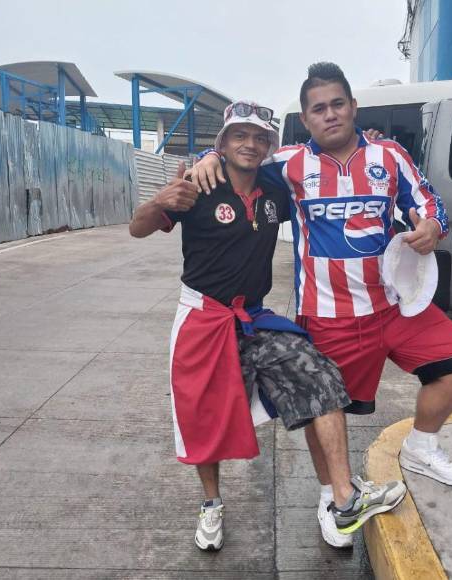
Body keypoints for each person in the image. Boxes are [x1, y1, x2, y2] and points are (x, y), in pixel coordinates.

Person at [189, 64, 452, 548]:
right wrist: (204, 155)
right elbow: (236, 157)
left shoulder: (387, 154)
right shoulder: (287, 163)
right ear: (306, 119)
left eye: (337, 104)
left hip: (393, 305)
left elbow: (428, 202)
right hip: (328, 316)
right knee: (325, 408)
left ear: (353, 107)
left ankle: (421, 446)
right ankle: (332, 498)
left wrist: (431, 226)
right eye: (318, 109)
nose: (330, 115)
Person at [129, 100, 406, 552]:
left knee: (320, 376)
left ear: (269, 147)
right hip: (203, 317)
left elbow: (319, 159)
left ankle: (344, 498)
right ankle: (211, 503)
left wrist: (369, 145)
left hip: (255, 316)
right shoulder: (199, 185)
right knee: (206, 416)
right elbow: (136, 229)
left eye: (260, 138)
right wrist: (160, 199)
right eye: (239, 135)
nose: (250, 145)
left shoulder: (276, 186)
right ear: (223, 142)